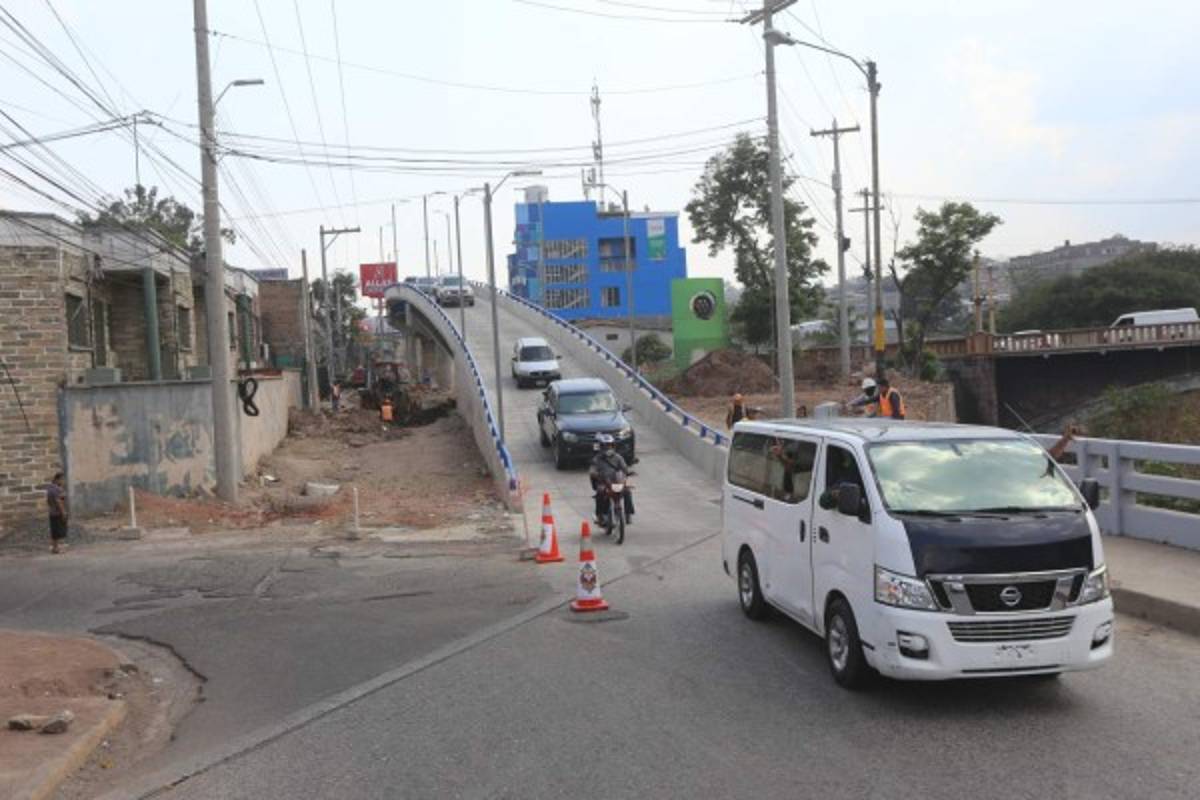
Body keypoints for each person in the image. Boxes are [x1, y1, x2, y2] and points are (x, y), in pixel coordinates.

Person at [590, 434, 635, 525]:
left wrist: (629, 472)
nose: (608, 448)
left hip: (616, 482)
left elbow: (624, 468)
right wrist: (595, 474)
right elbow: (592, 470)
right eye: (606, 446)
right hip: (603, 483)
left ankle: (628, 514)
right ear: (601, 447)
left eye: (610, 445)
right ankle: (600, 516)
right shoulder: (597, 459)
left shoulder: (618, 457)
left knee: (627, 492)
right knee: (600, 493)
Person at [45, 472, 67, 554]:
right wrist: (63, 512)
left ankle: (54, 548)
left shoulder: (50, 488)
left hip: (52, 512)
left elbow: (48, 501)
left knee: (54, 532)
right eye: (62, 480)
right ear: (58, 479)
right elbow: (59, 501)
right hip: (57, 513)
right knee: (58, 531)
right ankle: (57, 548)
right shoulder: (56, 489)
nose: (63, 482)